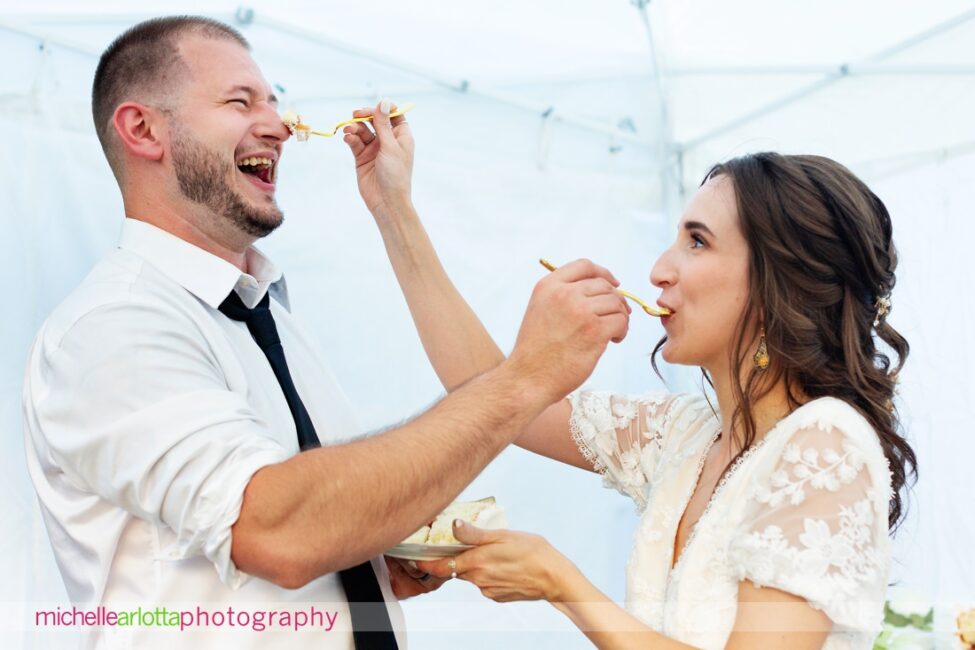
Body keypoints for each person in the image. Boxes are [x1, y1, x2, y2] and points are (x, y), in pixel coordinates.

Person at [21, 16, 631, 650]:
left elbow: (300, 522)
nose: (280, 126)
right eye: (241, 101)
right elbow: (276, 533)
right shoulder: (114, 329)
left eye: (276, 102)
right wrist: (525, 377)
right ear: (142, 129)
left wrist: (364, 559)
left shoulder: (268, 316)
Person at [345, 123, 916, 649]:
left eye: (697, 241)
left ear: (775, 283)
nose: (659, 270)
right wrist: (394, 210)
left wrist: (560, 583)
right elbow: (495, 399)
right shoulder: (688, 437)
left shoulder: (824, 444)